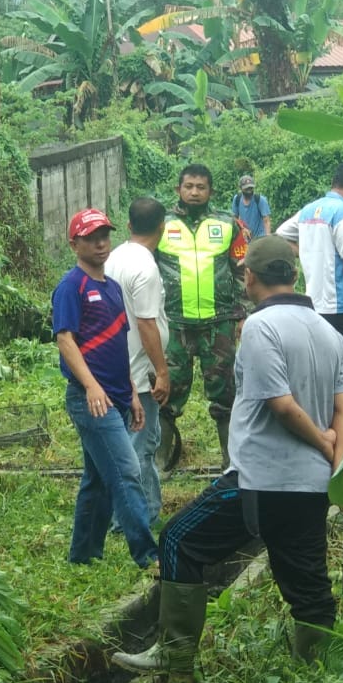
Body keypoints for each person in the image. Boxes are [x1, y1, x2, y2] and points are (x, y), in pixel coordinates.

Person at [113, 235, 343, 676]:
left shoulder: (261, 328)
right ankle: (318, 671)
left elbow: (278, 404)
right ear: (294, 274)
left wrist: (323, 444)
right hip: (311, 484)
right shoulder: (329, 331)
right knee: (307, 581)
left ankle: (174, 655)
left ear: (249, 277)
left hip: (258, 480)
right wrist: (336, 462)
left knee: (177, 540)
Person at [53, 207, 161, 570]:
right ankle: (148, 556)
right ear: (74, 244)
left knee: (97, 479)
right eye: (90, 237)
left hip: (117, 395)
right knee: (127, 470)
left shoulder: (111, 287)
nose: (100, 243)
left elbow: (119, 343)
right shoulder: (72, 287)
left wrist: (131, 392)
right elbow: (65, 340)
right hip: (91, 401)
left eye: (104, 236)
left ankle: (82, 556)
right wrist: (92, 387)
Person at [154, 164, 250, 468]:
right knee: (166, 394)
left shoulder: (228, 224)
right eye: (189, 186)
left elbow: (241, 271)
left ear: (211, 191)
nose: (194, 192)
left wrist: (243, 315)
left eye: (201, 187)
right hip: (173, 323)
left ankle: (230, 463)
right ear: (178, 190)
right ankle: (159, 463)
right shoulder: (160, 224)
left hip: (218, 323)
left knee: (225, 395)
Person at [276, 163, 343, 436]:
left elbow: (280, 236)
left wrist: (305, 252)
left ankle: (329, 427)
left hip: (314, 306)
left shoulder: (310, 210)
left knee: (327, 368)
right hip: (341, 306)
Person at [104, 197, 171, 527]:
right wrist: (162, 371)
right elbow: (146, 323)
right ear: (163, 226)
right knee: (140, 447)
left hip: (115, 368)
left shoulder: (114, 257)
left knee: (121, 446)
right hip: (138, 374)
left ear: (129, 225)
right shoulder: (145, 267)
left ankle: (123, 515)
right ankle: (138, 517)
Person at [230, 174, 271, 239]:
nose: (249, 190)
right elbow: (234, 218)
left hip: (260, 237)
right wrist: (242, 228)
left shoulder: (260, 200)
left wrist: (268, 238)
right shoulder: (237, 199)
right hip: (245, 237)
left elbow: (266, 221)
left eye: (251, 188)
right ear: (241, 188)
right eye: (246, 188)